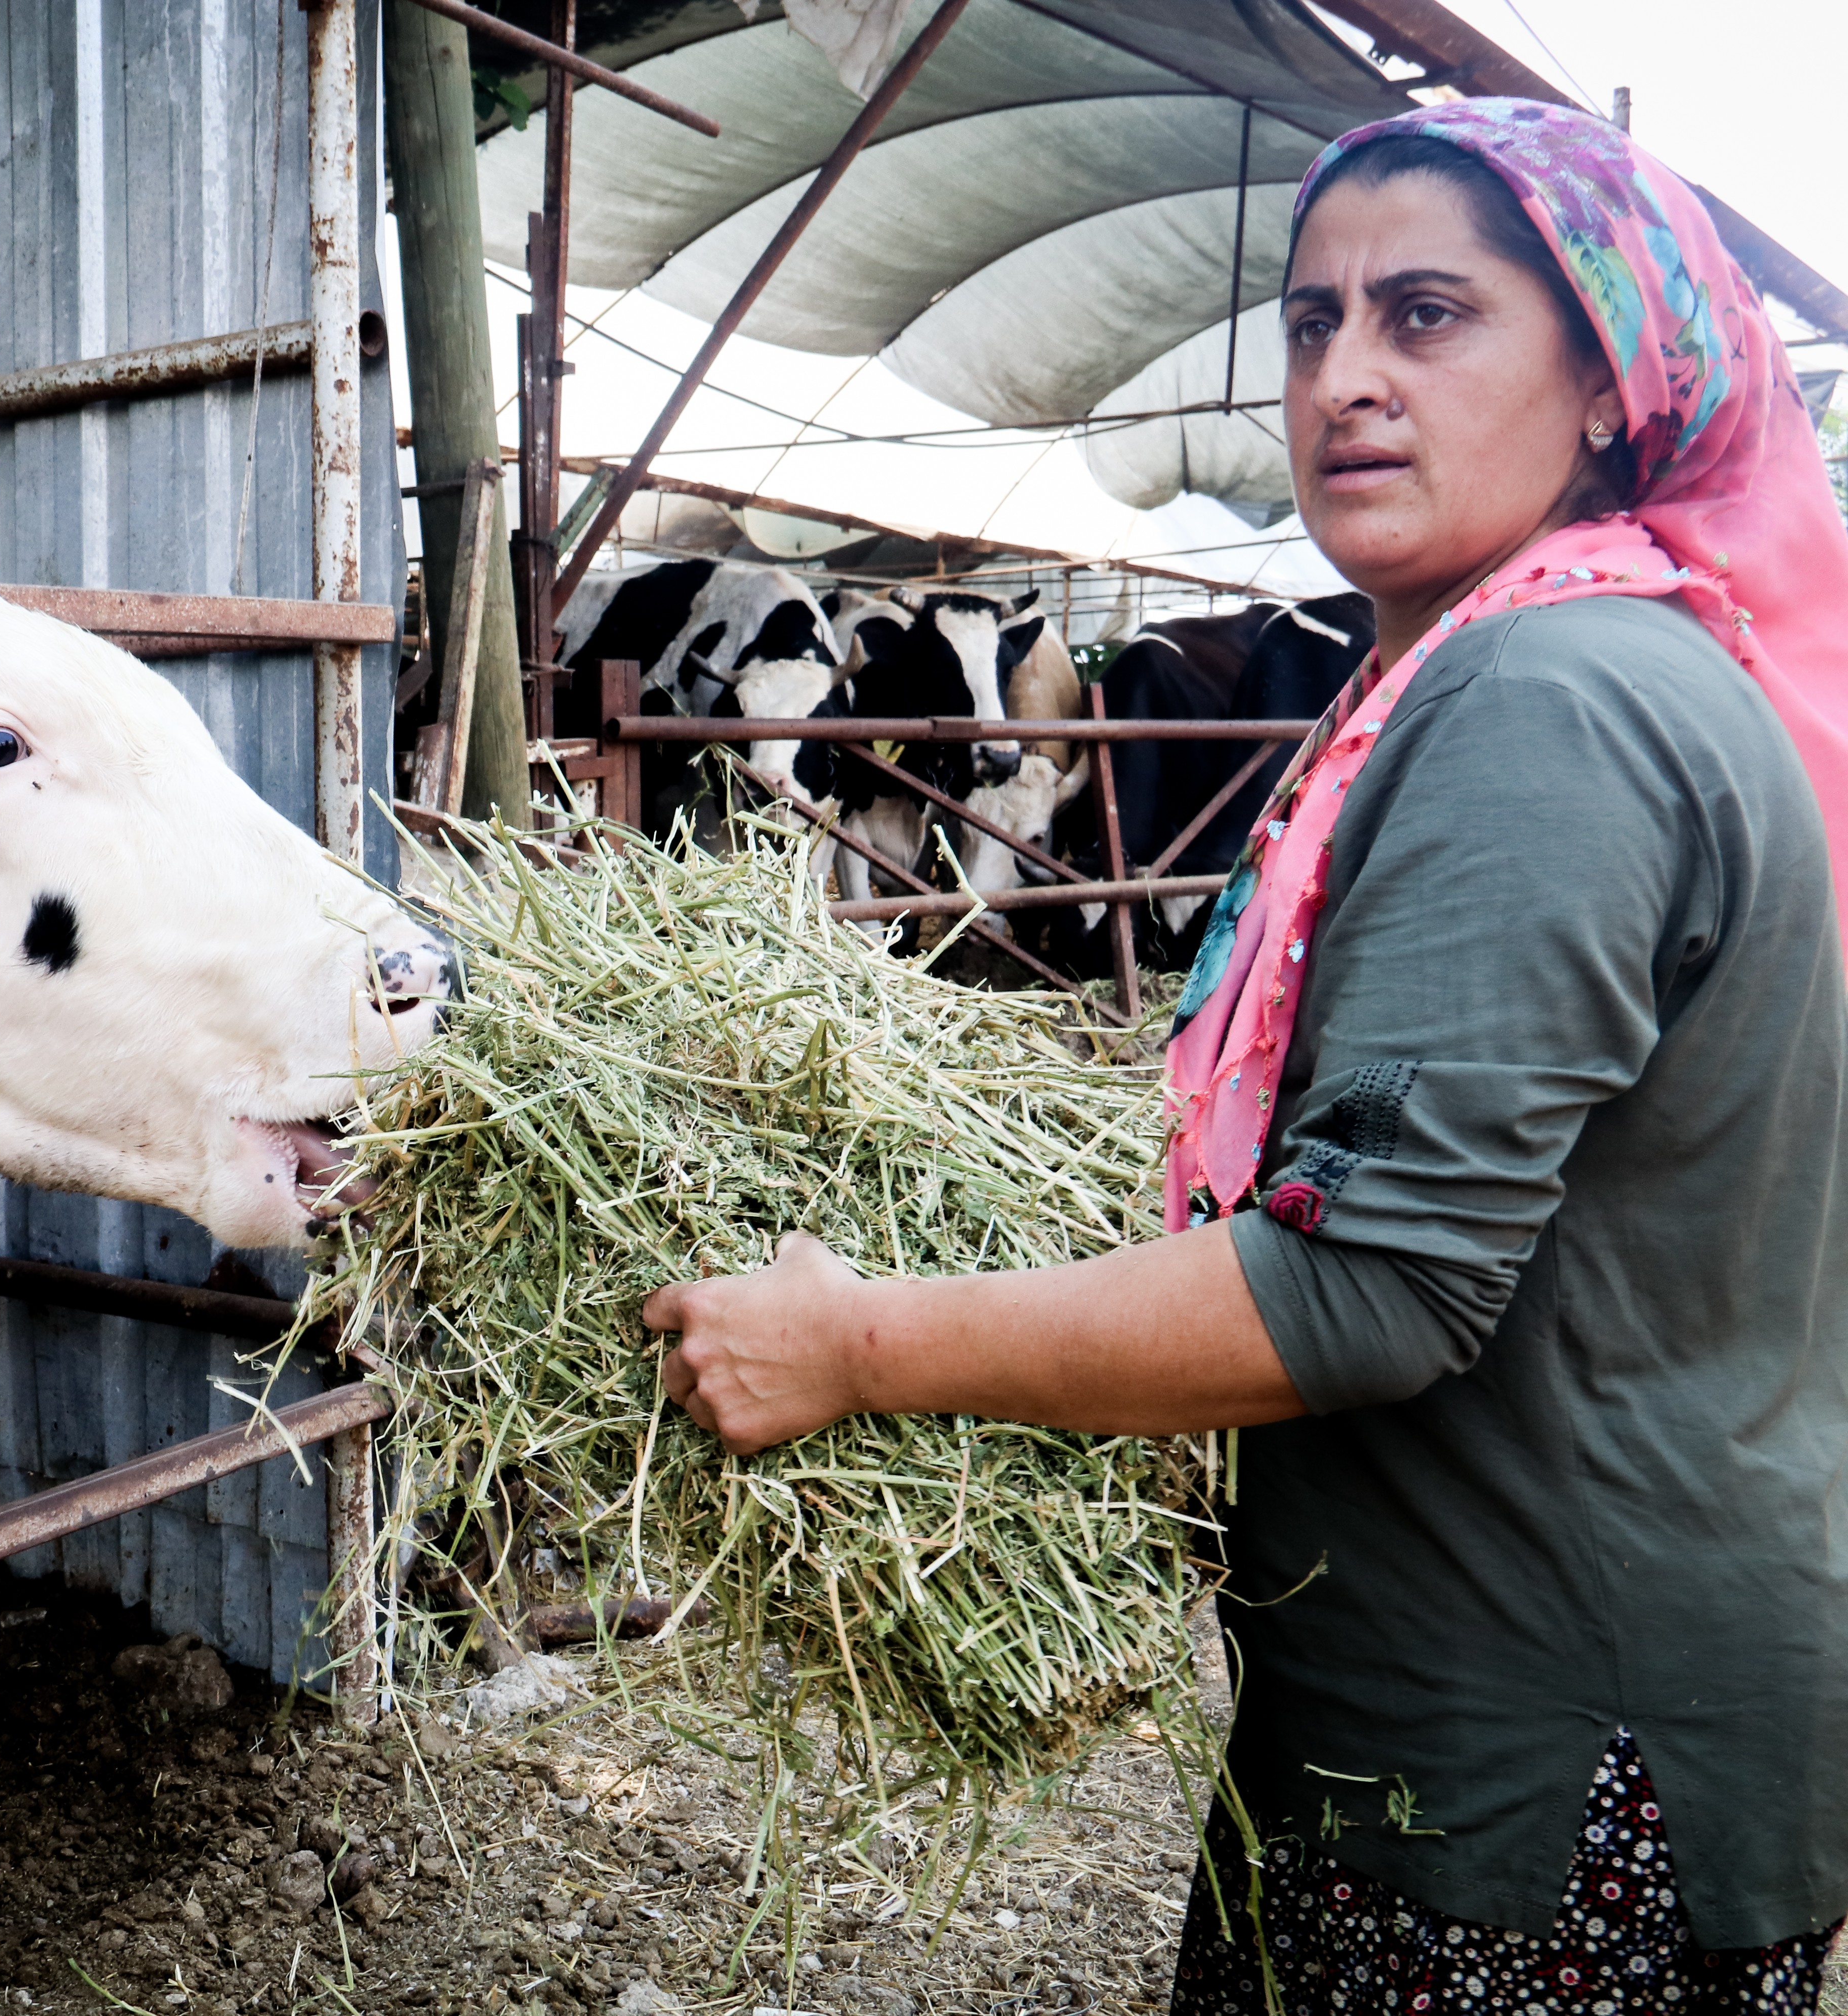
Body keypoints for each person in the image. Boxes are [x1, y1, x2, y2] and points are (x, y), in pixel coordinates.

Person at [639, 100, 1848, 2010]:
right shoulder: (1552, 669)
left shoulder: (1553, 704)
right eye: (1311, 323)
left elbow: (1368, 1285)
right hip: (1532, 1698)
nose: (1345, 380)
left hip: (1527, 1781)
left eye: (1428, 316)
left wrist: (861, 1345)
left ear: (1611, 384)